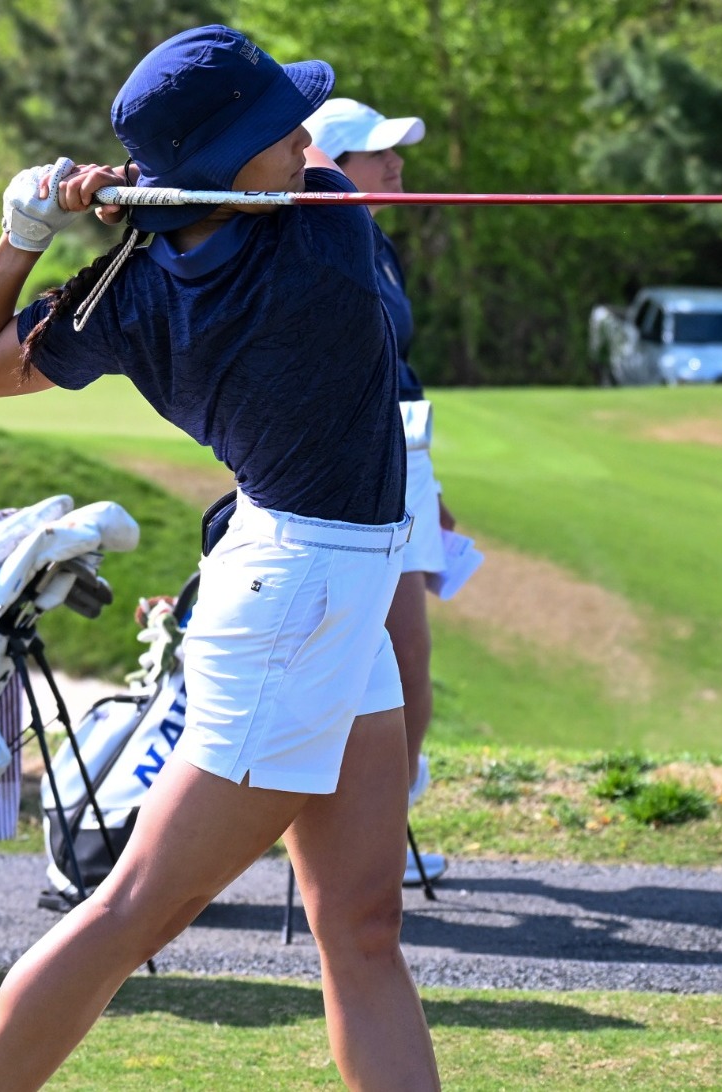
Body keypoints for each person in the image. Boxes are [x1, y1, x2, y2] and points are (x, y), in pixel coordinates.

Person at [0, 26, 439, 1091]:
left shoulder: (131, 290)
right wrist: (134, 196)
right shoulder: (329, 229)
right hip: (298, 598)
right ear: (222, 167)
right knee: (130, 914)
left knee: (362, 921)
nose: (302, 135)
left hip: (325, 591)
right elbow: (333, 173)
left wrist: (34, 225)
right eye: (273, 127)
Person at [304, 97, 450, 887]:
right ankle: (364, 832)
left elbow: (397, 370)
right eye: (376, 155)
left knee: (411, 659)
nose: (395, 165)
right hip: (355, 472)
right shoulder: (322, 245)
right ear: (329, 167)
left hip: (405, 459)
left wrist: (435, 490)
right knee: (389, 656)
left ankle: (387, 810)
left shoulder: (375, 240)